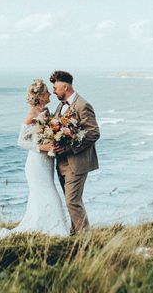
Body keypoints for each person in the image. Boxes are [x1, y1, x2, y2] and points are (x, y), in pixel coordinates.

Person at [0, 79, 69, 237]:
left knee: (43, 195)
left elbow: (45, 133)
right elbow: (21, 141)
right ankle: (55, 231)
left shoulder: (46, 111)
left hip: (47, 161)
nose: (50, 94)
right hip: (37, 164)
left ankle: (45, 228)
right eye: (47, 92)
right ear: (41, 96)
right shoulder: (32, 115)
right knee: (48, 194)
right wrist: (42, 147)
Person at [50, 70, 100, 234]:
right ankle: (74, 234)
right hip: (61, 162)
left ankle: (85, 238)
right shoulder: (60, 106)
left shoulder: (82, 105)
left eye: (55, 87)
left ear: (65, 86)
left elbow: (93, 133)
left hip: (76, 162)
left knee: (72, 201)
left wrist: (69, 147)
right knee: (71, 200)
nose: (53, 91)